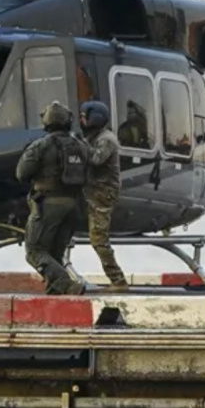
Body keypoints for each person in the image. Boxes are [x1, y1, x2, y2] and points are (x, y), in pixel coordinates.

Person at [15, 101, 88, 295]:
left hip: (48, 205)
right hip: (73, 205)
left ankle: (67, 284)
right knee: (54, 253)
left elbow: (22, 174)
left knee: (34, 251)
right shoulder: (81, 145)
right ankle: (55, 290)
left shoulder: (40, 146)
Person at [79, 100, 127, 289]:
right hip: (92, 191)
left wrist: (78, 144)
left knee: (98, 238)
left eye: (85, 118)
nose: (82, 121)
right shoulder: (94, 136)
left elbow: (96, 159)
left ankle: (118, 279)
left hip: (102, 193)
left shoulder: (106, 139)